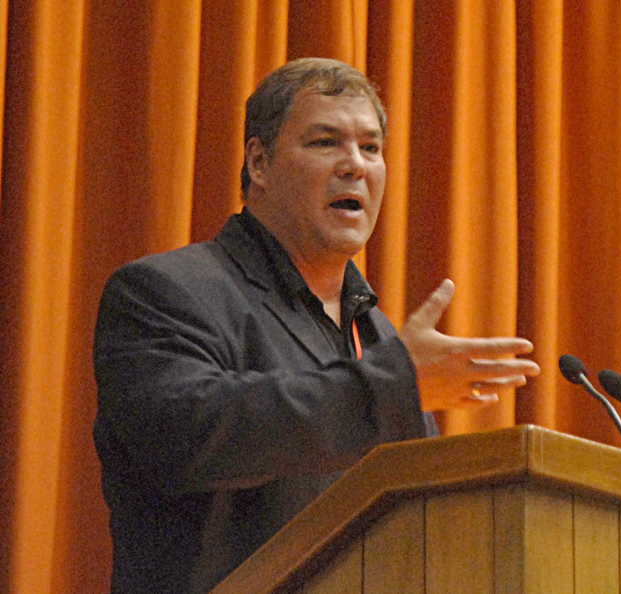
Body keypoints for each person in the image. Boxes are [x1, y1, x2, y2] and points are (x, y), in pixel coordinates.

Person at [93, 57, 540, 594]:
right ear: (258, 163)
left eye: (370, 148)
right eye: (326, 143)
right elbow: (194, 436)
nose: (354, 165)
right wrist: (390, 387)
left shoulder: (377, 334)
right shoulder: (165, 291)